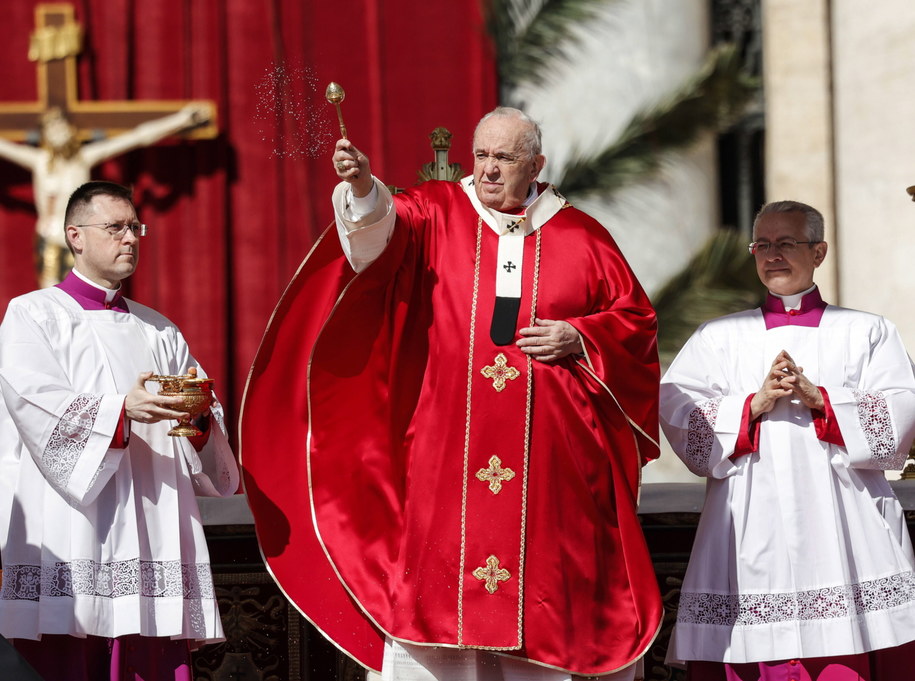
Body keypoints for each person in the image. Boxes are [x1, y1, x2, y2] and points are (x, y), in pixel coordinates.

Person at [241, 107, 663, 680]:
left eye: (505, 159)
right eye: (482, 155)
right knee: (435, 606)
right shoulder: (437, 211)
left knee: (545, 614)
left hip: (551, 474)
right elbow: (379, 238)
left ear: (536, 165)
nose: (489, 170)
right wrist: (364, 187)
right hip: (448, 455)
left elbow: (635, 322)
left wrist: (580, 335)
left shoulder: (581, 235)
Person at [660, 200, 915, 680]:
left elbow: (901, 409)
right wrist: (750, 406)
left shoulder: (867, 331)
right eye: (763, 245)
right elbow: (678, 409)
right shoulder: (718, 336)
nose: (772, 255)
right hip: (750, 520)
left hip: (844, 517)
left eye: (787, 243)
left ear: (819, 252)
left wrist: (821, 398)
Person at [0, 180, 239, 681]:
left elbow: (204, 425)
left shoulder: (160, 329)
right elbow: (35, 408)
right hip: (74, 528)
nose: (130, 238)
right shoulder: (32, 315)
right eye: (115, 227)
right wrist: (119, 412)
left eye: (136, 227)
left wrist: (195, 417)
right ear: (75, 236)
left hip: (153, 522)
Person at [0, 104, 209, 287]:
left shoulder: (83, 159)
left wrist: (181, 119)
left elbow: (137, 137)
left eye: (61, 126)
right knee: (49, 294)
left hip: (81, 237)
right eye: (51, 128)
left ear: (71, 130)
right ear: (45, 134)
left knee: (82, 292)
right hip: (50, 236)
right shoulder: (40, 161)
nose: (58, 133)